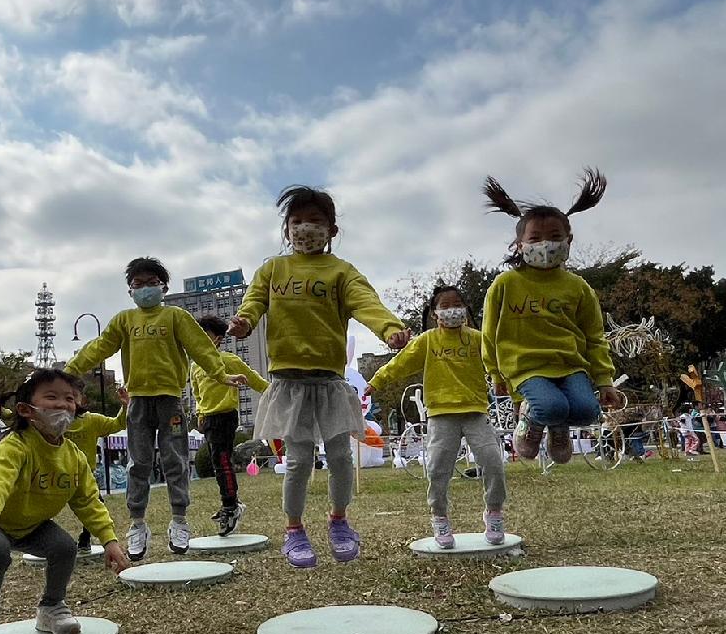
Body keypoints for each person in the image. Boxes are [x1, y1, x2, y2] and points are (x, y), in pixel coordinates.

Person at [229, 186, 410, 568]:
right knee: (298, 461)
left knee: (341, 457)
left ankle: (339, 520)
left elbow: (366, 302)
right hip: (289, 383)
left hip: (328, 381)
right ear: (286, 228)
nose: (304, 229)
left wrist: (389, 328)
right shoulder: (273, 269)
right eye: (296, 222)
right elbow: (254, 302)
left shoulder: (341, 271)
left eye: (314, 221)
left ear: (331, 229)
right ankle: (293, 529)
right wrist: (244, 322)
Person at [64, 257, 245, 560]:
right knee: (139, 463)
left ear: (163, 287)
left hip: (170, 401)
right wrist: (69, 372)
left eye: (151, 283)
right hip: (138, 402)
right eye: (138, 284)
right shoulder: (124, 320)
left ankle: (179, 521)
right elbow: (99, 347)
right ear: (130, 290)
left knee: (175, 460)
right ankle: (137, 525)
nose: (145, 288)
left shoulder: (176, 316)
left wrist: (220, 375)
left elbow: (201, 347)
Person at [0, 369, 129, 634]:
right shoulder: (14, 447)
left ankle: (51, 608)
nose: (63, 405)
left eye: (69, 398)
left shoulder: (73, 456)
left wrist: (110, 541)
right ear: (27, 410)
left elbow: (89, 501)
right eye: (51, 397)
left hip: (33, 526)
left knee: (65, 547)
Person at [480, 169, 624, 464]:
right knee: (550, 406)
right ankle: (528, 423)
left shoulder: (578, 288)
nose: (546, 245)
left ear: (569, 241)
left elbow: (594, 336)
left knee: (587, 411)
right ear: (519, 245)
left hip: (571, 366)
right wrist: (495, 373)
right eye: (536, 238)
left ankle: (558, 430)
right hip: (525, 367)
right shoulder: (505, 284)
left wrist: (605, 380)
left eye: (555, 237)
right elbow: (489, 332)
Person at [365, 285, 507, 547]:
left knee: (492, 461)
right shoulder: (427, 340)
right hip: (441, 415)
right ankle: (439, 517)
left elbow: (498, 360)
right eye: (445, 306)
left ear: (465, 309)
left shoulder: (477, 338)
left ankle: (494, 512)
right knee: (437, 469)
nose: (452, 311)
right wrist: (377, 380)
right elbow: (401, 362)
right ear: (434, 313)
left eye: (457, 305)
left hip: (475, 410)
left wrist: (501, 379)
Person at [190, 315, 270, 536]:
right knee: (218, 462)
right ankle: (231, 502)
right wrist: (199, 414)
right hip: (207, 419)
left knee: (222, 461)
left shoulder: (229, 360)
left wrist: (275, 394)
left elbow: (256, 380)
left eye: (205, 335)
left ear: (217, 338)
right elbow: (197, 394)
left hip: (225, 416)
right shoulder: (195, 366)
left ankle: (230, 506)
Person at [65, 386, 129, 551]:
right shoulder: (54, 420)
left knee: (96, 506)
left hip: (86, 477)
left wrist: (125, 406)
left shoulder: (91, 420)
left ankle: (85, 538)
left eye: (73, 396)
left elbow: (118, 424)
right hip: (56, 476)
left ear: (82, 400)